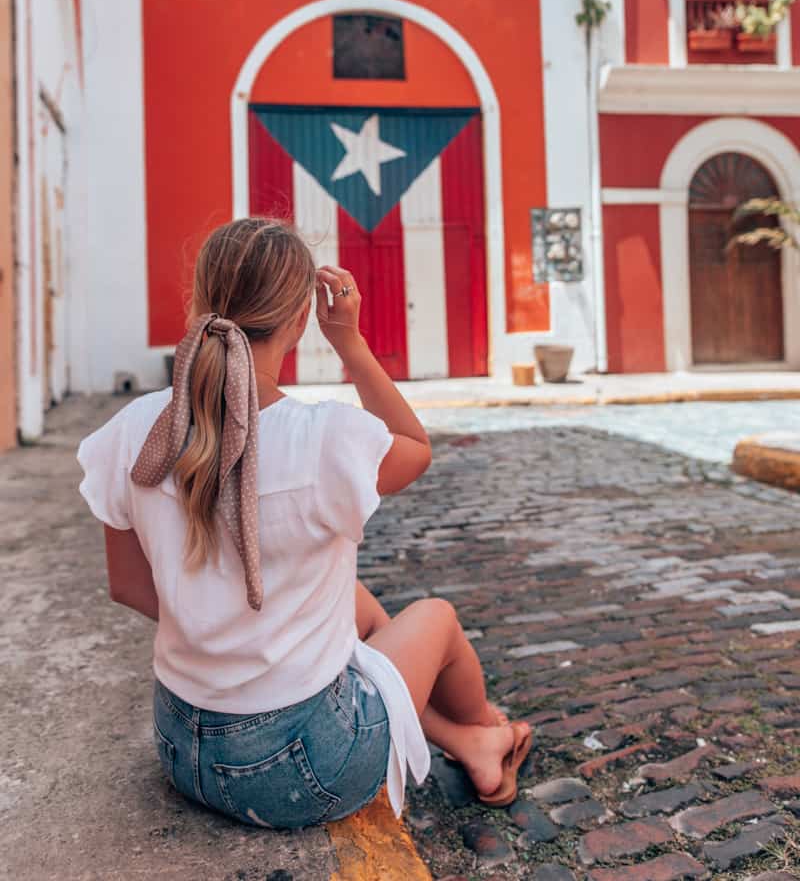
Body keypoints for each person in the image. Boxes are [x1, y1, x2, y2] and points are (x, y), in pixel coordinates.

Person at [77, 216, 532, 829]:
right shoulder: (324, 438)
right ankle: (487, 733)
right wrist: (350, 342)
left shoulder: (133, 429)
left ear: (200, 302)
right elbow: (413, 446)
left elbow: (127, 587)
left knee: (356, 603)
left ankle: (464, 740)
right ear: (299, 322)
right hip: (296, 773)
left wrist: (230, 628)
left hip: (183, 749)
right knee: (437, 619)